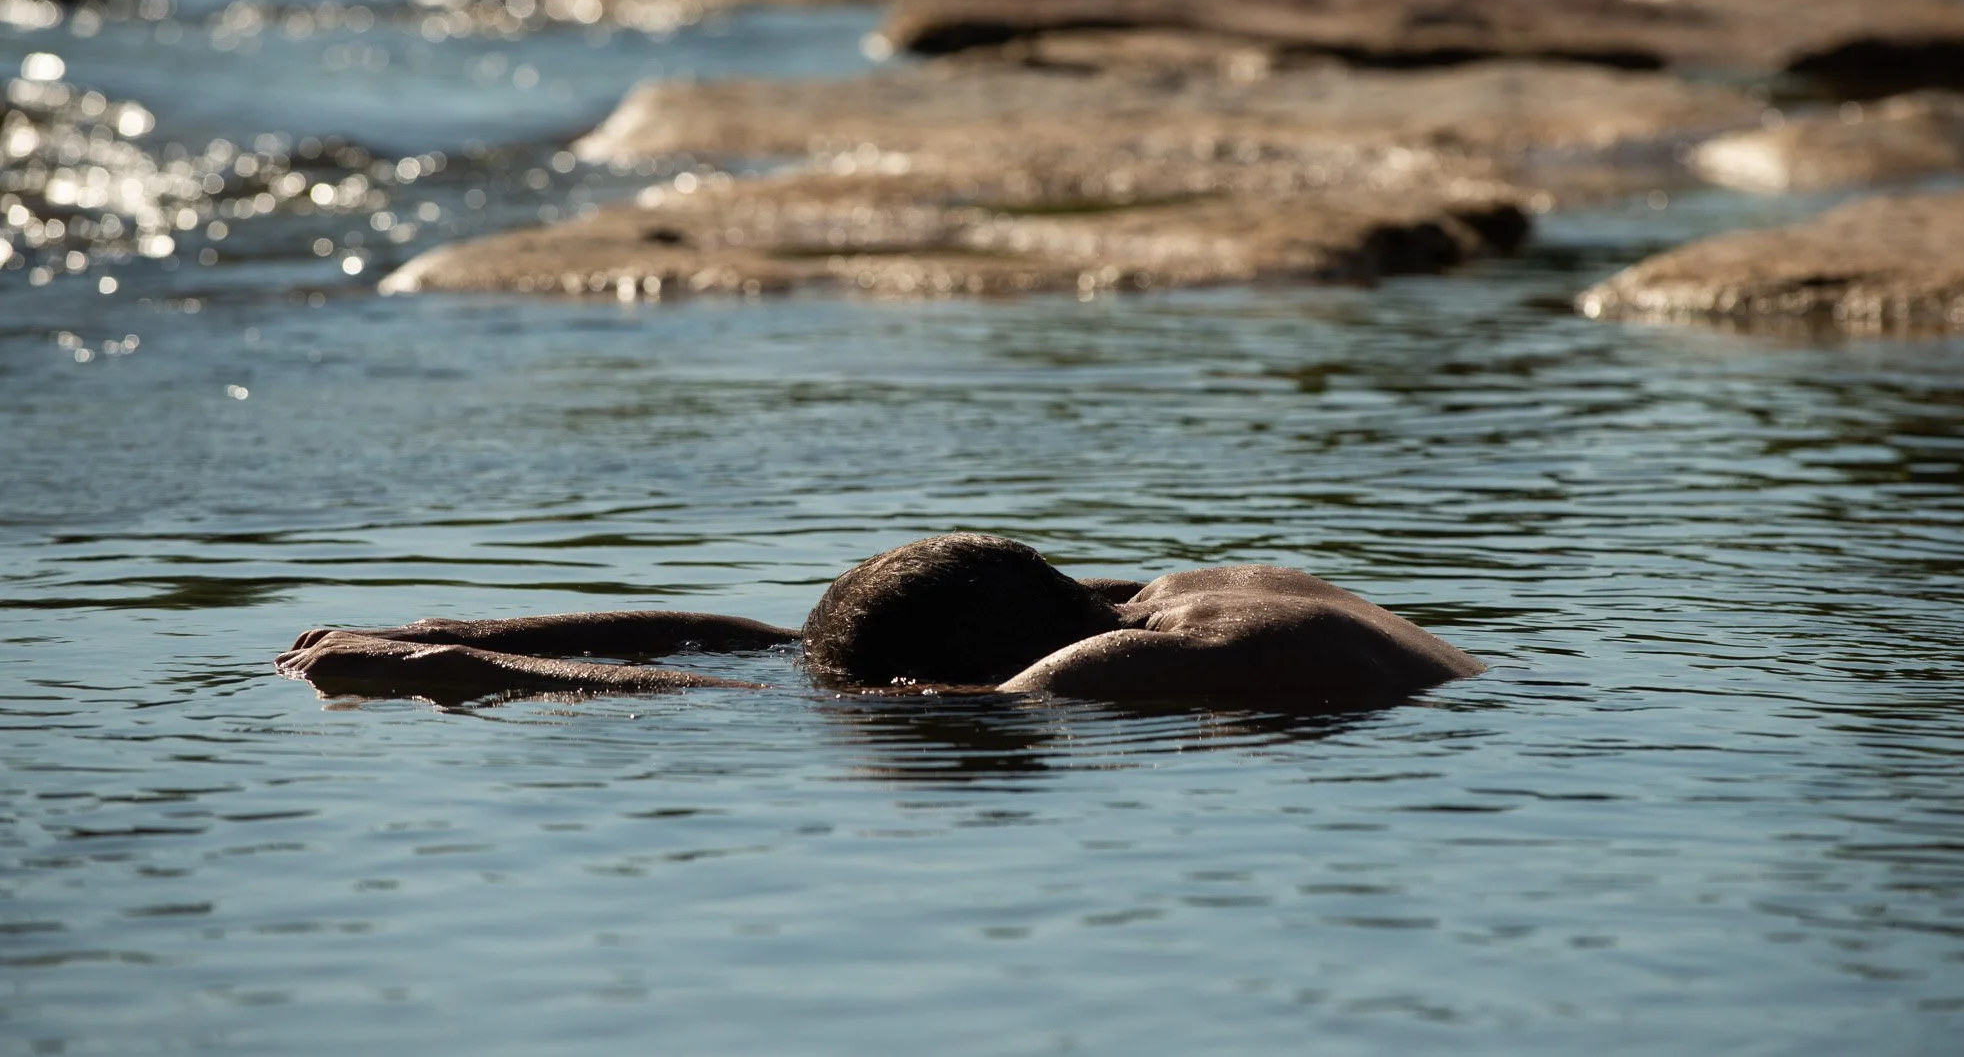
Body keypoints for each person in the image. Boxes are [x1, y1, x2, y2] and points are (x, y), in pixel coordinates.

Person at [276, 533, 1484, 709]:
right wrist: (495, 624)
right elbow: (772, 647)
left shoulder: (1131, 657)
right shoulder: (1201, 580)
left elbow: (782, 699)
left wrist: (483, 672)